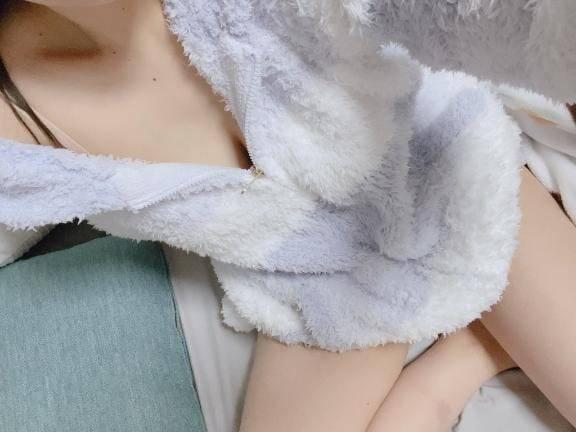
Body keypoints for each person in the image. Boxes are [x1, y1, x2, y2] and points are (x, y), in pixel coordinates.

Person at [0, 1, 575, 431]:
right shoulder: (14, 122)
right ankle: (471, 353)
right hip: (316, 284)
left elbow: (503, 24)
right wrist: (447, 379)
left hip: (443, 174)